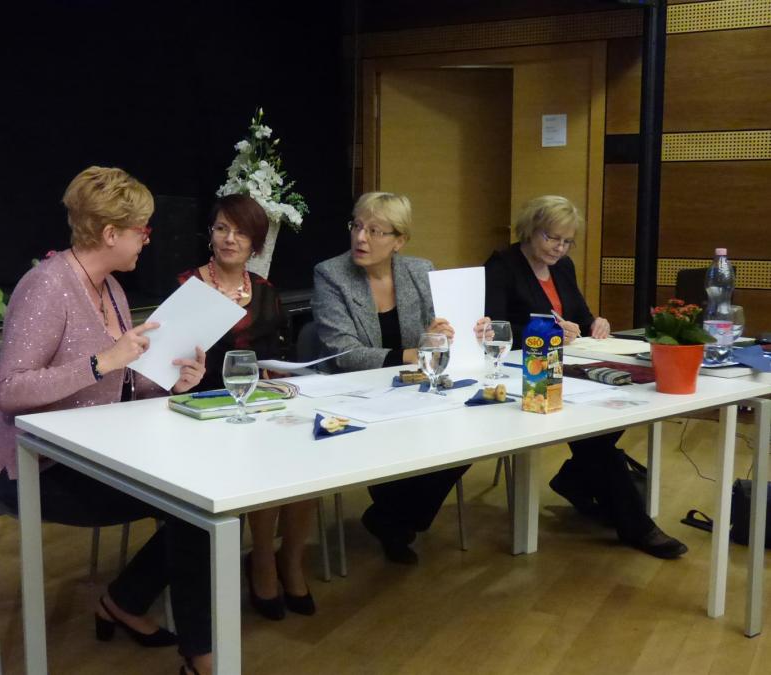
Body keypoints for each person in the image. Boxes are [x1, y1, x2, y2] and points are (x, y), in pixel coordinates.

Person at [0, 166, 213, 675]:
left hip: (98, 454)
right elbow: (8, 391)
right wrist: (100, 361)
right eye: (142, 231)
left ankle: (125, 602)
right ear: (110, 234)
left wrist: (171, 384)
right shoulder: (46, 286)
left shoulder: (110, 289)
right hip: (37, 468)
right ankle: (199, 655)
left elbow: (120, 385)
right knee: (189, 510)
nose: (146, 241)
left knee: (196, 503)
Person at [484, 194, 687, 559]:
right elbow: (494, 329)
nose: (559, 248)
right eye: (552, 238)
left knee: (617, 411)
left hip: (571, 364)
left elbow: (579, 315)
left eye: (567, 241)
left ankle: (576, 479)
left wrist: (596, 323)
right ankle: (635, 526)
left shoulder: (563, 267)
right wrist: (547, 332)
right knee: (595, 438)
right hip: (523, 370)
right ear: (530, 229)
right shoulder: (502, 266)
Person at [177, 193, 317, 621]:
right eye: (222, 228)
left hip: (257, 402)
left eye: (240, 232)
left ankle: (290, 558)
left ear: (255, 243)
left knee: (308, 452)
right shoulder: (188, 286)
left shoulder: (266, 291)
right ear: (210, 234)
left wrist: (280, 378)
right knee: (265, 455)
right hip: (201, 407)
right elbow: (170, 362)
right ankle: (262, 560)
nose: (229, 239)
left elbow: (276, 355)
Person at [312, 191, 471, 565]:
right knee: (399, 440)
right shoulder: (331, 274)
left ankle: (390, 517)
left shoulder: (420, 271)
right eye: (357, 226)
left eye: (375, 231)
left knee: (465, 441)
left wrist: (448, 332)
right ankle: (394, 519)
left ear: (399, 240)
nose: (361, 238)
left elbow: (436, 336)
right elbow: (343, 351)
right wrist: (412, 353)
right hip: (353, 394)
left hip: (413, 390)